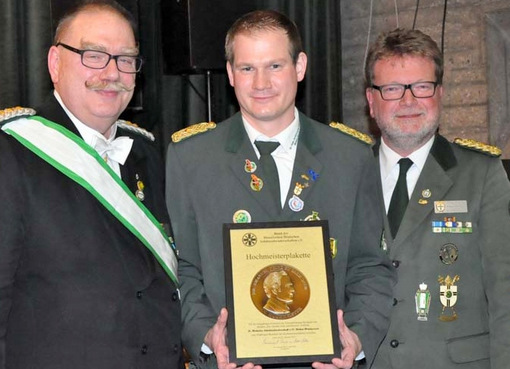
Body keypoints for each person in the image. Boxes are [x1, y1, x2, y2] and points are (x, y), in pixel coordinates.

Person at [166, 9, 395, 369]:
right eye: (246, 68)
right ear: (230, 73)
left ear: (299, 67)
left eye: (274, 66)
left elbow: (369, 266)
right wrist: (207, 335)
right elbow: (182, 269)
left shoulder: (350, 157)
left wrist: (357, 336)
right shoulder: (190, 158)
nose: (261, 83)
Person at [0, 1, 182, 368]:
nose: (112, 72)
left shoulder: (147, 153)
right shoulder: (12, 153)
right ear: (55, 63)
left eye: (126, 59)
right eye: (94, 55)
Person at [365, 28, 510, 368]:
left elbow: (506, 295)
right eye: (392, 89)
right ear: (371, 102)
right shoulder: (347, 175)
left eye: (422, 86)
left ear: (440, 94)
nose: (409, 101)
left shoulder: (483, 175)